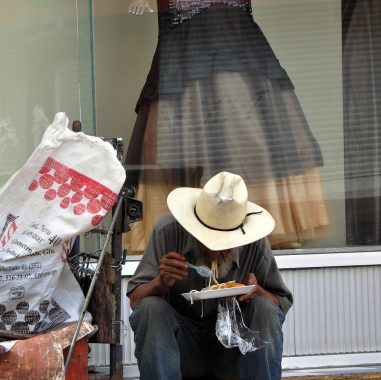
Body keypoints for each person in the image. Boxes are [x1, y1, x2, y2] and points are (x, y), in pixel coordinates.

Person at [125, 0, 329, 252]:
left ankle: (250, 225)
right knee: (189, 143)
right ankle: (196, 232)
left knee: (248, 136)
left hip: (234, 36)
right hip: (185, 41)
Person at [127, 170, 292, 380]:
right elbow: (136, 302)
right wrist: (160, 282)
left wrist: (256, 291)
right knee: (152, 308)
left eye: (224, 240)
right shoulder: (168, 231)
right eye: (209, 239)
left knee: (265, 310)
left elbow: (280, 303)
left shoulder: (254, 242)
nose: (216, 248)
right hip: (179, 351)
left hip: (233, 350)